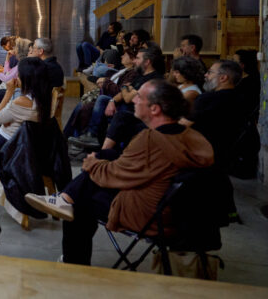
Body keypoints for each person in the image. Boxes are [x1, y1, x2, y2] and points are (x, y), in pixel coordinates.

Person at [25, 79, 213, 266]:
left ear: (155, 109)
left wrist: (92, 164)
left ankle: (74, 262)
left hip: (148, 214)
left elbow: (116, 175)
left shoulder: (149, 140)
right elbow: (138, 168)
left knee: (82, 203)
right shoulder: (192, 137)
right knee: (108, 154)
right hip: (179, 211)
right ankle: (65, 198)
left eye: (139, 97)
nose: (134, 100)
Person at [0, 57, 52, 158]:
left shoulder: (21, 101)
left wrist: (9, 91)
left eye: (19, 76)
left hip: (1, 144)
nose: (16, 78)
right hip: (17, 143)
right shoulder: (42, 99)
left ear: (27, 79)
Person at [181, 60, 245, 173]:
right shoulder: (241, 99)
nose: (206, 75)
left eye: (210, 72)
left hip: (199, 152)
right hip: (225, 155)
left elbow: (182, 126)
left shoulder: (207, 99)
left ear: (223, 78)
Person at [233, 49, 259, 116]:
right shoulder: (241, 78)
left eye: (234, 61)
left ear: (242, 65)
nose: (231, 64)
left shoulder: (250, 82)